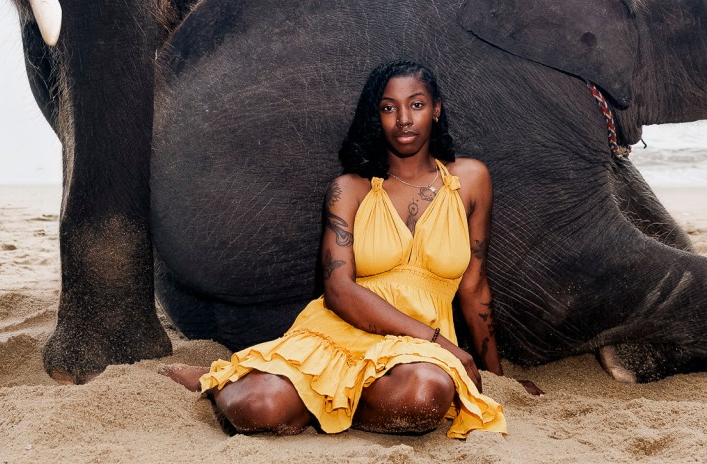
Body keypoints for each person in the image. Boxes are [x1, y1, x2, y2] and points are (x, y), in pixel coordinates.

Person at [163, 60, 508, 439]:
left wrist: (496, 376)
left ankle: (316, 405)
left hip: (416, 357)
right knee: (258, 410)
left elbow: (474, 287)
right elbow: (340, 290)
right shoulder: (350, 188)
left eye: (417, 104)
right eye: (389, 108)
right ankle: (221, 382)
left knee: (424, 395)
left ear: (436, 109)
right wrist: (439, 342)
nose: (404, 119)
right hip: (342, 330)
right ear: (376, 117)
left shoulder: (471, 180)